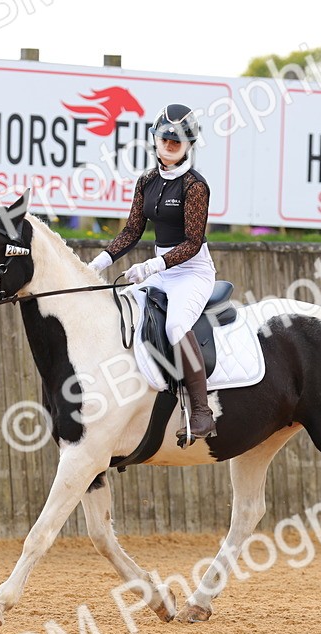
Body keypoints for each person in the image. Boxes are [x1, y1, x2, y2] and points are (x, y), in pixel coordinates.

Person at [86, 103, 218, 443]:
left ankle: (202, 412)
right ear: (155, 141)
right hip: (161, 269)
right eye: (164, 140)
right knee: (123, 310)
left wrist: (152, 265)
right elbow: (132, 231)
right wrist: (97, 263)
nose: (169, 146)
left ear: (189, 145)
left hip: (192, 272)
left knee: (175, 325)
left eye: (177, 142)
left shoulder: (195, 186)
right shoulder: (146, 181)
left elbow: (192, 242)